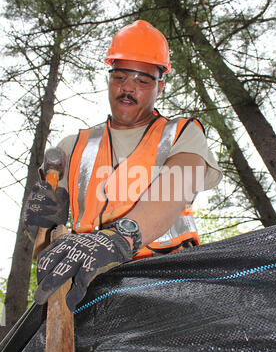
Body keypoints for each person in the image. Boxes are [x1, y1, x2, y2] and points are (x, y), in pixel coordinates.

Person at [23, 20, 222, 311]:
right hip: (86, 291)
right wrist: (41, 224)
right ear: (109, 78)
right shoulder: (71, 146)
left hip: (167, 284)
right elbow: (45, 240)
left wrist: (123, 236)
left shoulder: (180, 133)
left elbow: (178, 184)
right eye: (119, 77)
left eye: (142, 81)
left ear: (160, 86)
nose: (128, 88)